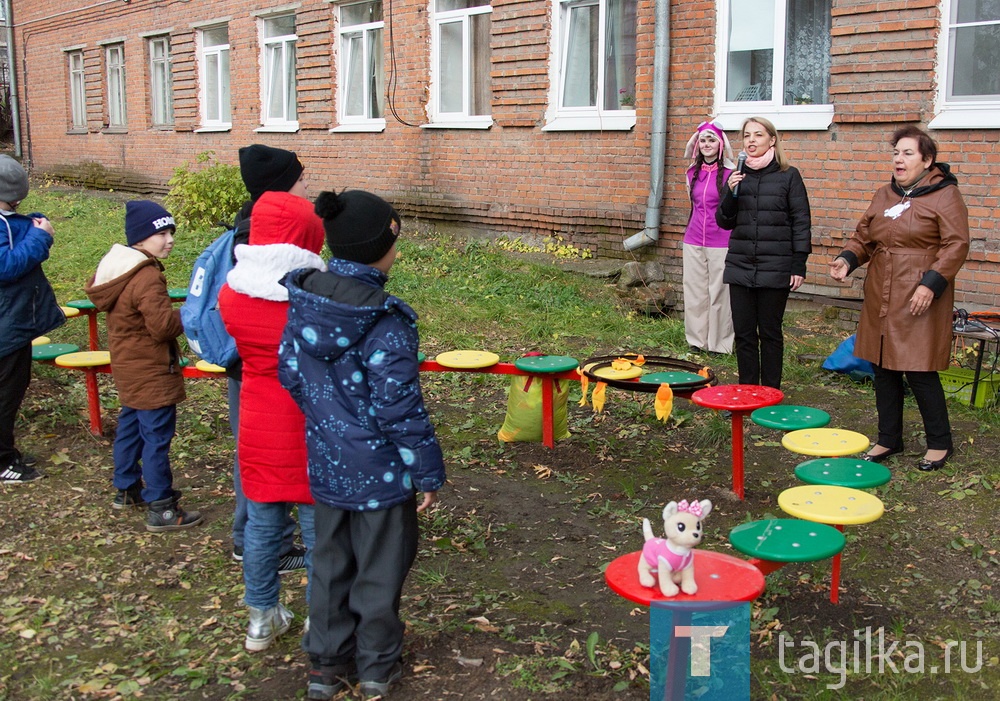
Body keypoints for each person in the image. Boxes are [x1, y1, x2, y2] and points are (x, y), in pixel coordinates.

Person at [278, 190, 446, 700]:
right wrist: (428, 472)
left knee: (329, 564)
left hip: (328, 466)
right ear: (382, 246)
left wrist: (330, 421)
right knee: (380, 568)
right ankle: (375, 667)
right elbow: (398, 407)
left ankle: (326, 668)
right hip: (381, 475)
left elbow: (288, 370)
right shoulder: (385, 319)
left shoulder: (305, 299)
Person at [218, 187, 326, 652]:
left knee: (262, 523)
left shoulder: (232, 292)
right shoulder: (313, 298)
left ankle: (261, 618)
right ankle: (319, 617)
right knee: (319, 526)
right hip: (307, 419)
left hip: (257, 416)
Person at [830, 126, 969, 471]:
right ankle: (888, 438)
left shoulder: (945, 196)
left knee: (918, 368)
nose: (899, 159)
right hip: (881, 290)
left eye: (908, 153)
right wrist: (847, 259)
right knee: (881, 365)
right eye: (896, 153)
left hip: (918, 292)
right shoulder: (885, 195)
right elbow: (864, 236)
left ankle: (940, 442)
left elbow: (956, 244)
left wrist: (931, 284)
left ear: (927, 160)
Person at [85, 201, 202, 530]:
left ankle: (126, 489)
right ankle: (162, 507)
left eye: (171, 232)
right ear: (140, 238)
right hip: (151, 370)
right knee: (156, 438)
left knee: (131, 427)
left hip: (128, 366)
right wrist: (194, 312)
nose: (169, 240)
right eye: (161, 233)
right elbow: (163, 326)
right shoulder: (146, 276)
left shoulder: (118, 270)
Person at [227, 144, 309, 574]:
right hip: (268, 376)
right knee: (267, 476)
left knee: (258, 465)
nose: (307, 185)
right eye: (300, 179)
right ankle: (262, 543)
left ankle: (260, 606)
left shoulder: (249, 224)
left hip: (254, 374)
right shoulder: (262, 237)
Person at [718, 116, 812, 389]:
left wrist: (799, 264)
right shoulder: (736, 177)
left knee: (770, 333)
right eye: (747, 135)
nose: (751, 140)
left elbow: (801, 222)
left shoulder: (788, 176)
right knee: (745, 334)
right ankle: (748, 390)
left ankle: (770, 391)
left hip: (776, 267)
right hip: (741, 264)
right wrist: (730, 193)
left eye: (758, 135)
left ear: (772, 140)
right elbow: (724, 221)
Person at [0, 155, 65, 484]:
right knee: (6, 392)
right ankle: (2, 460)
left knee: (14, 385)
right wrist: (40, 236)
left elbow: (15, 230)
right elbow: (6, 267)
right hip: (6, 325)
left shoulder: (5, 219)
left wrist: (34, 224)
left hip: (14, 321)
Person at [682, 120, 736, 354]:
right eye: (703, 140)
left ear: (720, 144)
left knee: (720, 293)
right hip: (693, 239)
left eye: (711, 139)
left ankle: (720, 344)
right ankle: (697, 341)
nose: (706, 144)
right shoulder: (692, 172)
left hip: (721, 240)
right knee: (694, 291)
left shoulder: (732, 174)